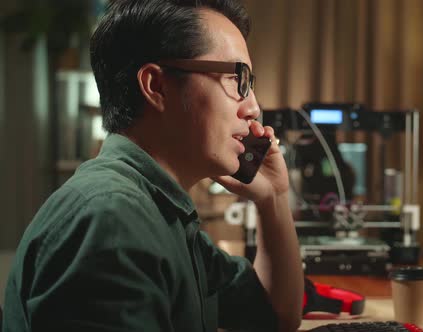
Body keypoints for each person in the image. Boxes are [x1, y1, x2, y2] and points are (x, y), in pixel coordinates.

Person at [1, 0, 304, 331]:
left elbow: (275, 315)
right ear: (156, 86)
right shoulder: (112, 219)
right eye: (237, 79)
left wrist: (272, 197)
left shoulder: (159, 212)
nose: (254, 108)